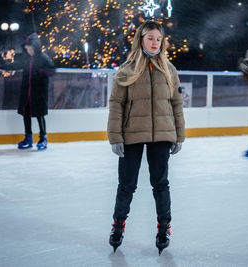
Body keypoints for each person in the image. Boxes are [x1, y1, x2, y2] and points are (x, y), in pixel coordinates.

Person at [107, 21, 185, 254]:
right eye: (150, 38)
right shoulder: (126, 69)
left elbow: (177, 104)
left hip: (162, 135)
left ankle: (164, 228)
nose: (155, 43)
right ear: (140, 39)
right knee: (127, 185)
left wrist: (179, 135)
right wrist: (115, 137)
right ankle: (118, 226)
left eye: (158, 39)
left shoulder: (169, 69)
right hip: (131, 135)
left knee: (160, 184)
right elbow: (116, 104)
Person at [0, 33, 55, 150]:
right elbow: (17, 65)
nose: (29, 51)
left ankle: (43, 138)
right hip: (27, 92)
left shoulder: (43, 58)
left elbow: (51, 70)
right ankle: (28, 138)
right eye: (27, 49)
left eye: (30, 49)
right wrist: (3, 66)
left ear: (35, 48)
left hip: (38, 93)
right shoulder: (26, 58)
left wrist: (41, 72)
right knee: (26, 115)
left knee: (39, 115)